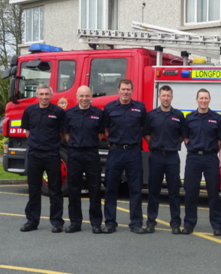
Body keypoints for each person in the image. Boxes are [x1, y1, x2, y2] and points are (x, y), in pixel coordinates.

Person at [102, 78, 147, 234]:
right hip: (116, 151)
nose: (126, 92)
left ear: (132, 91)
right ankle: (110, 222)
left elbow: (142, 128)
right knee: (111, 188)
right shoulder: (109, 108)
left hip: (134, 152)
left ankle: (136, 223)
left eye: (128, 89)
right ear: (118, 90)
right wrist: (114, 143)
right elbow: (106, 130)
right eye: (123, 89)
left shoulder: (140, 108)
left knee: (135, 189)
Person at [20, 83, 65, 233]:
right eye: (41, 94)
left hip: (52, 154)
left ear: (51, 96)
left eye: (47, 94)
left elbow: (61, 133)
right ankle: (32, 221)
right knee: (33, 188)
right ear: (37, 95)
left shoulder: (58, 112)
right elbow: (27, 132)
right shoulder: (29, 111)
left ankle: (57, 222)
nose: (44, 97)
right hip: (34, 154)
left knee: (55, 189)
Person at [143, 85, 185, 234]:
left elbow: (182, 136)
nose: (166, 98)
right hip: (156, 157)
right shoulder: (152, 115)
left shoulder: (178, 115)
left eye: (168, 95)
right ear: (159, 97)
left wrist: (172, 145)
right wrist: (156, 145)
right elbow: (147, 134)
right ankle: (151, 222)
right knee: (154, 191)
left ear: (172, 97)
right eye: (163, 95)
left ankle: (175, 223)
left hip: (173, 157)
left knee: (174, 191)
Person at [63, 85, 104, 234]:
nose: (85, 99)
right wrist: (75, 145)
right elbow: (66, 134)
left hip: (92, 153)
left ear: (91, 96)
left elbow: (100, 135)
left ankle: (96, 223)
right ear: (77, 96)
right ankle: (75, 223)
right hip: (74, 154)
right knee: (74, 189)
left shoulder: (98, 113)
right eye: (82, 96)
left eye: (87, 96)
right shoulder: (69, 113)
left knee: (95, 189)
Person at [183, 88, 221, 236]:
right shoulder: (189, 118)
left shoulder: (216, 118)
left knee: (214, 193)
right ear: (196, 100)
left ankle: (217, 225)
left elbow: (220, 140)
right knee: (191, 192)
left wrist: (210, 151)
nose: (204, 101)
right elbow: (186, 138)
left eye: (206, 98)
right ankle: (189, 224)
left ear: (209, 100)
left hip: (210, 158)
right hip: (193, 158)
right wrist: (194, 149)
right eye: (201, 98)